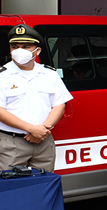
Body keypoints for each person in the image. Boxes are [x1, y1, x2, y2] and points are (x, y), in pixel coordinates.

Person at [0, 24, 73, 172]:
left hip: (44, 140)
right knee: (10, 189)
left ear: (37, 50)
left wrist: (43, 129)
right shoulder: (2, 76)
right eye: (15, 47)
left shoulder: (49, 74)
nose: (19, 51)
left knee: (43, 185)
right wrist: (31, 129)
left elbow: (59, 104)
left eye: (26, 47)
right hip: (12, 142)